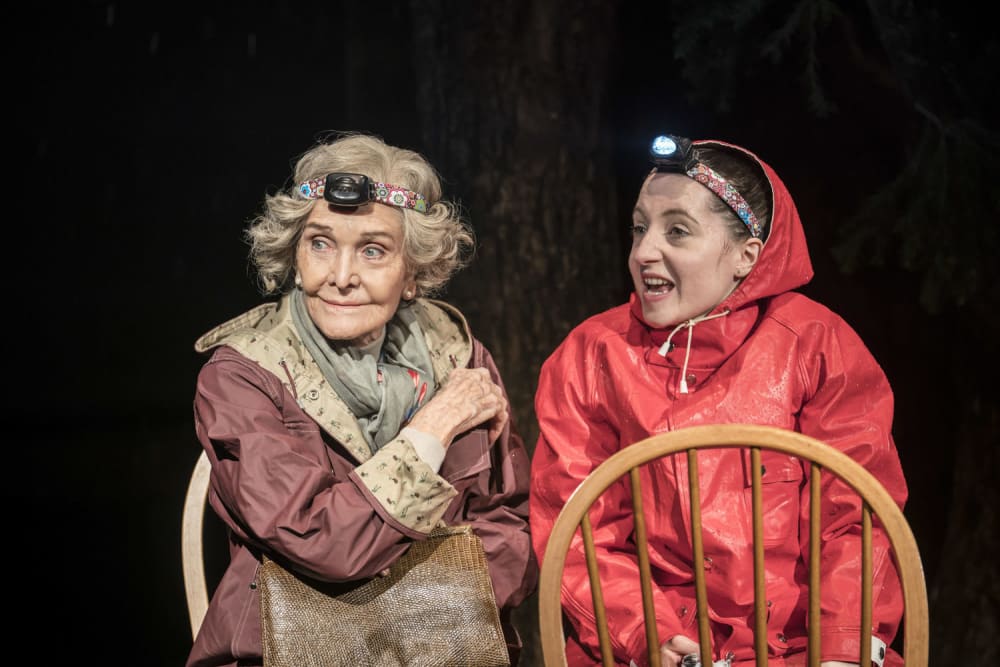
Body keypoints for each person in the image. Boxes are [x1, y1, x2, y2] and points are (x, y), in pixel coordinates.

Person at [529, 134, 907, 667]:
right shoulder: (592, 355)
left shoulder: (817, 344)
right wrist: (648, 637)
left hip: (802, 651)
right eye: (639, 228)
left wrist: (844, 647)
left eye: (677, 231)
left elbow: (857, 518)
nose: (643, 252)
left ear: (746, 256)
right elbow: (578, 533)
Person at [186, 132, 537, 667]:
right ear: (295, 253)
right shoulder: (242, 376)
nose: (341, 276)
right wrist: (431, 429)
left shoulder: (457, 355)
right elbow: (321, 540)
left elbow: (506, 527)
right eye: (320, 244)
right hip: (280, 653)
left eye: (373, 250)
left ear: (412, 273)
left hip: (441, 652)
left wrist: (411, 635)